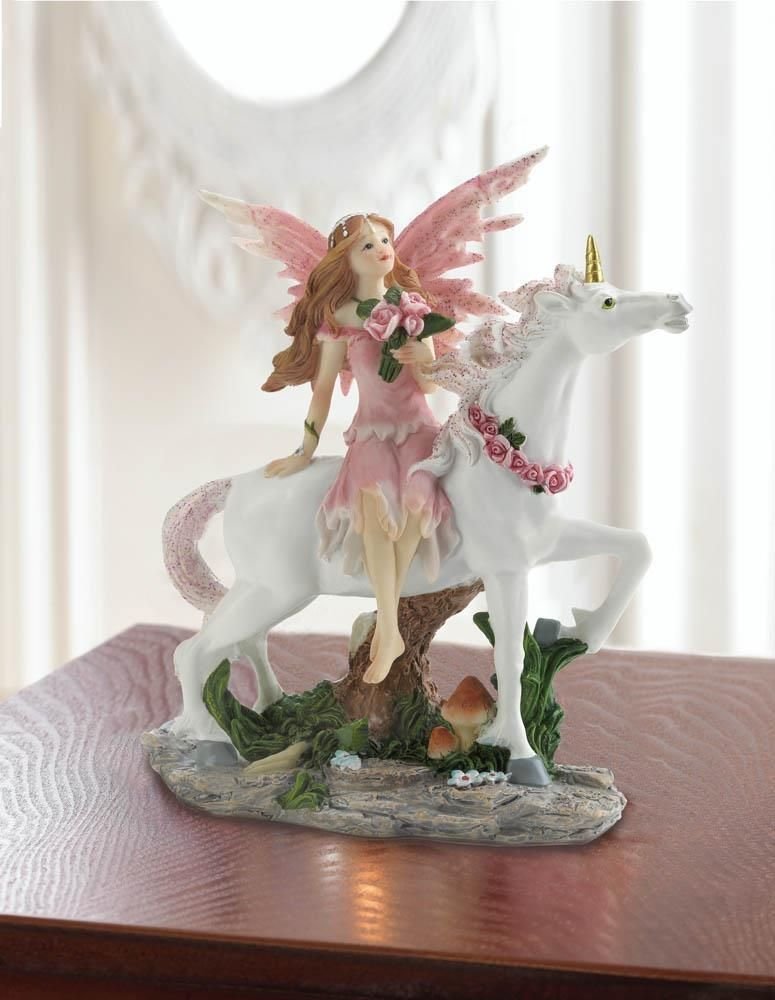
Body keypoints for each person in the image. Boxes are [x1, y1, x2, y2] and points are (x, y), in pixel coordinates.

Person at [262, 212, 458, 683]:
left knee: (414, 506)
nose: (381, 249)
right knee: (372, 509)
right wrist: (304, 450)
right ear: (345, 260)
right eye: (367, 245)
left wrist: (426, 355)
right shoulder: (339, 320)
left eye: (385, 240)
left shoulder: (414, 311)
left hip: (418, 429)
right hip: (371, 430)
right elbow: (323, 390)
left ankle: (387, 630)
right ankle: (389, 630)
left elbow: (431, 386)